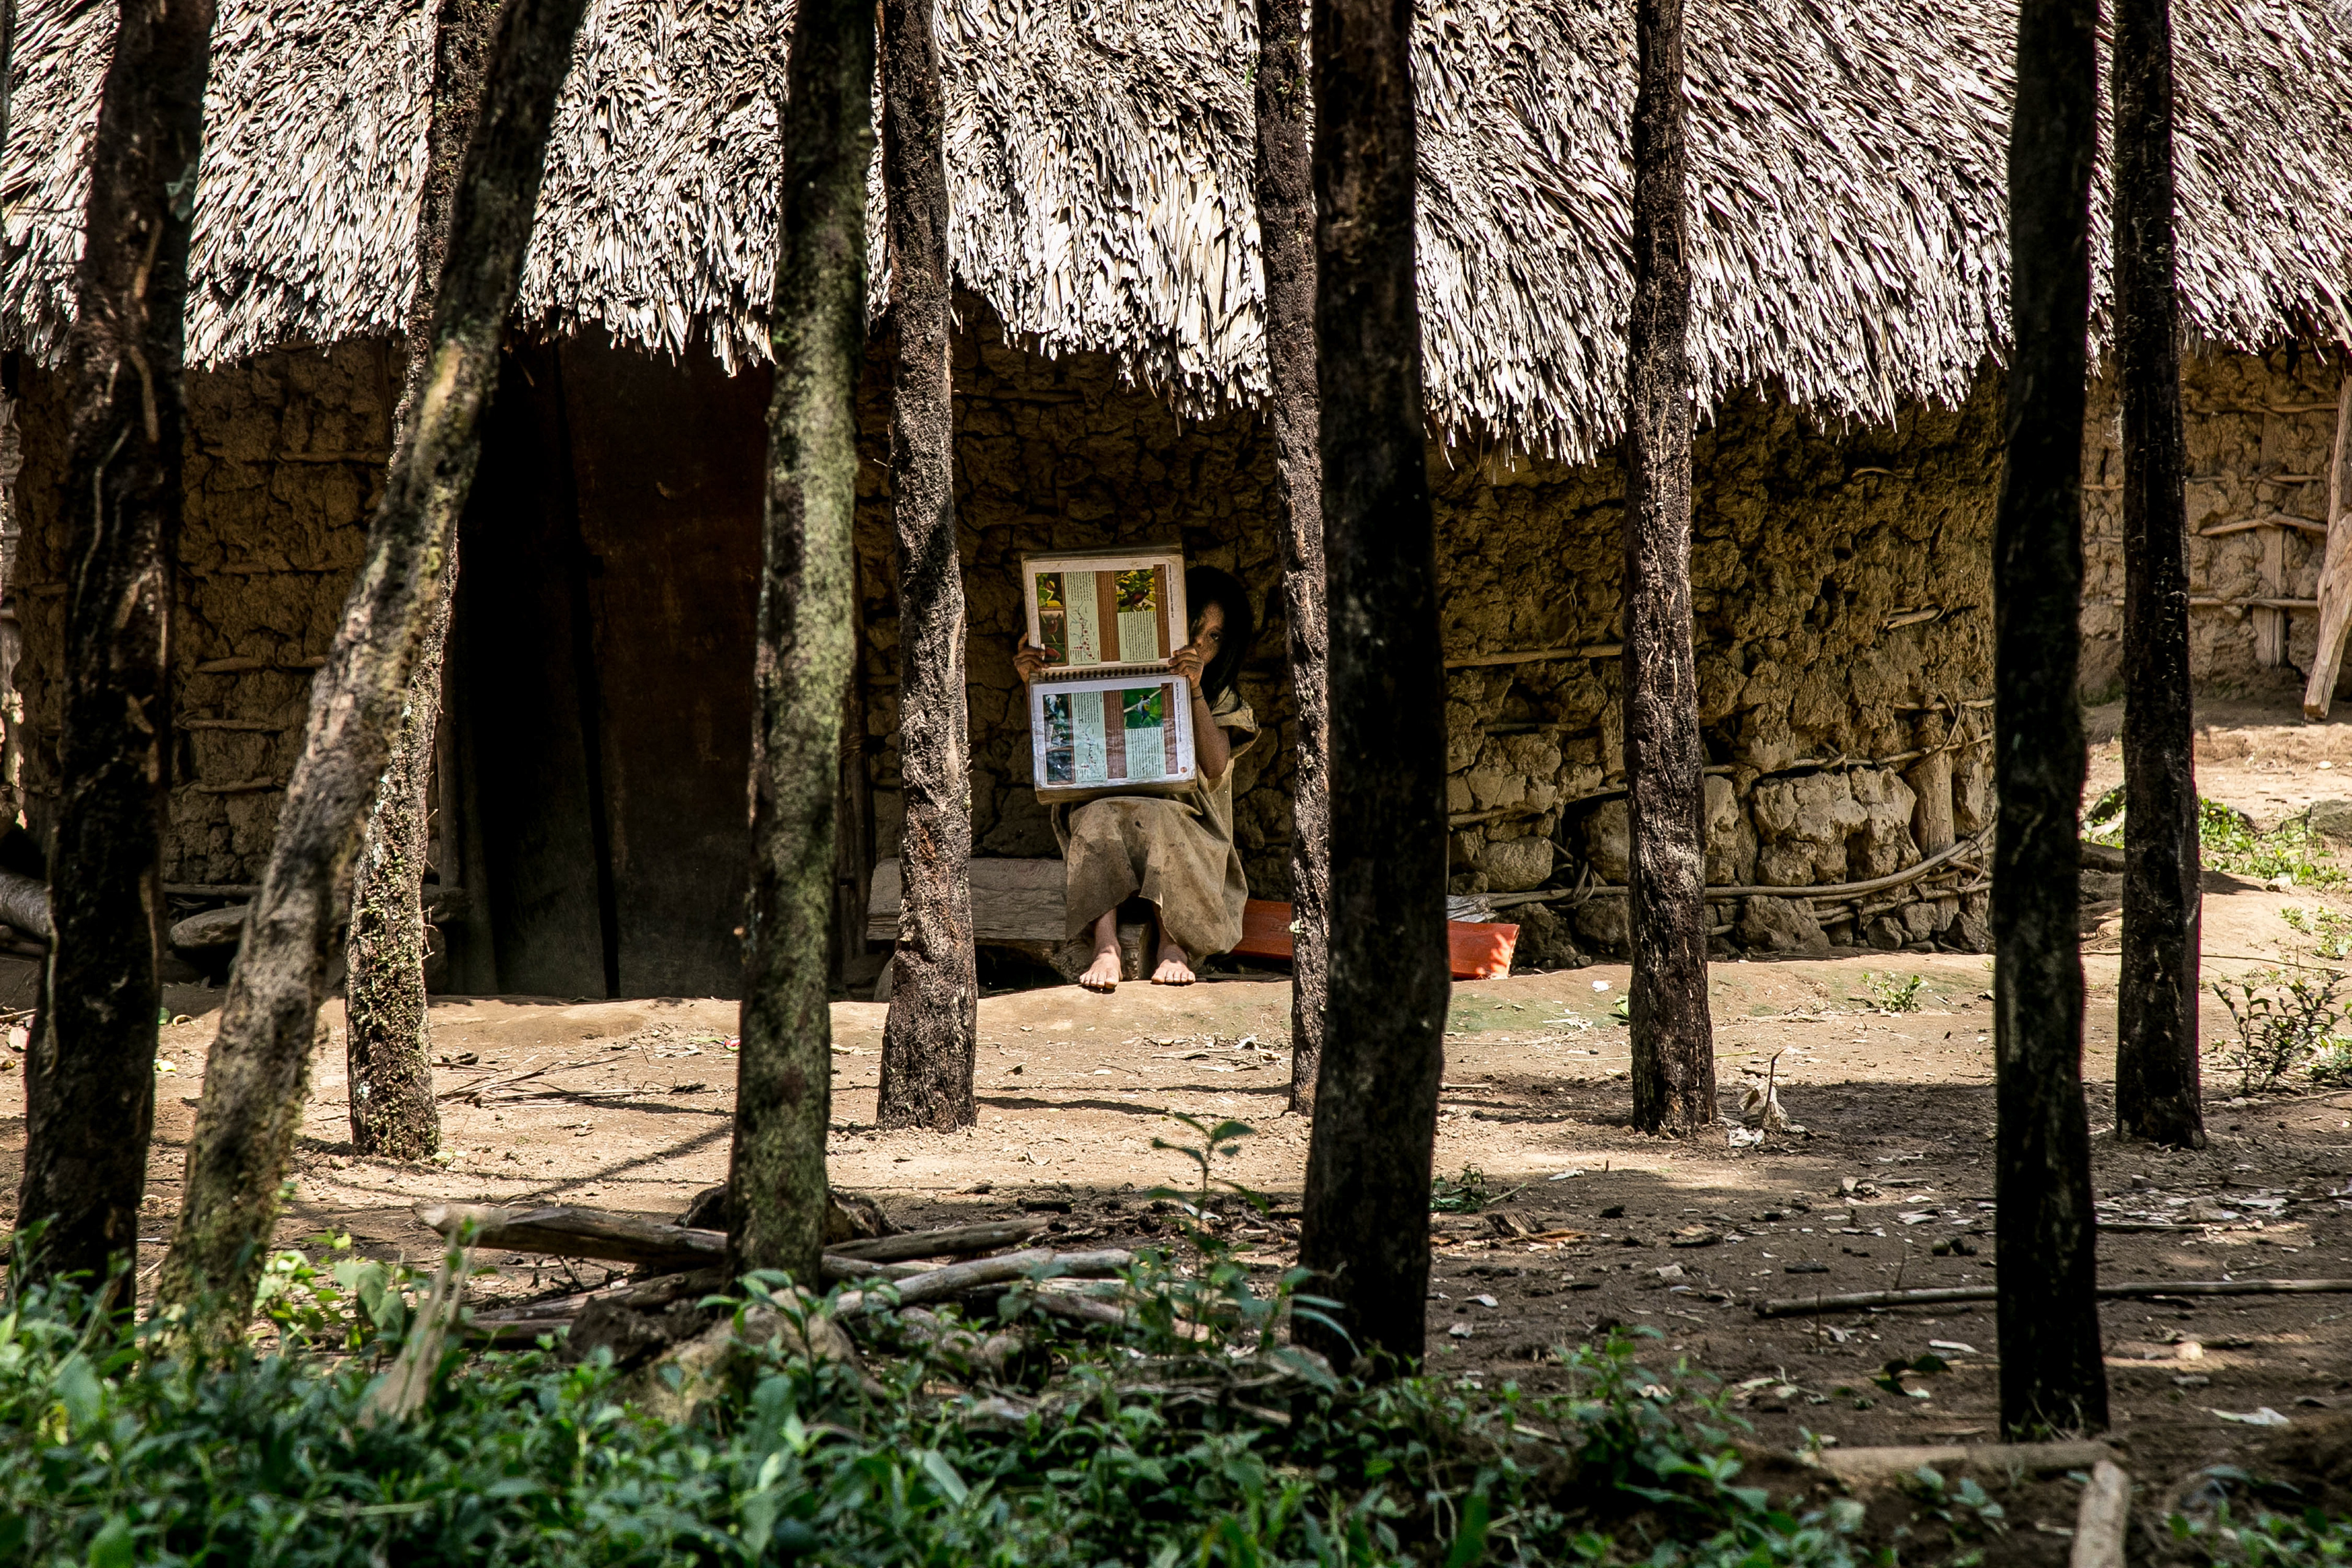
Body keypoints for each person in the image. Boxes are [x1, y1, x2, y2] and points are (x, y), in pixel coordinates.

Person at [1016, 566, 1259, 990]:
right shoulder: (1120, 682)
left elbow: (1215, 764)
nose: (1200, 644)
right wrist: (1035, 682)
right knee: (1096, 815)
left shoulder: (1220, 697)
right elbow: (1062, 741)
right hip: (1115, 825)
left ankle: (1173, 945)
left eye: (1215, 637)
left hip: (1190, 836)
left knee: (1161, 817)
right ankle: (1105, 946)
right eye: (1194, 628)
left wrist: (1194, 689)